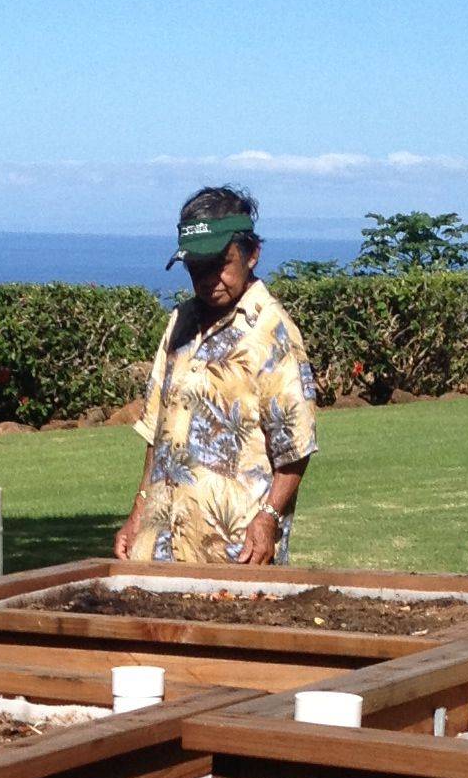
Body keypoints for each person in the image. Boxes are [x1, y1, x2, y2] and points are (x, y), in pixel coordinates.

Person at [113, 185, 317, 565]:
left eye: (220, 264)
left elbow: (295, 446)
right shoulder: (181, 322)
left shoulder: (272, 332)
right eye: (197, 268)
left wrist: (268, 519)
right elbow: (157, 432)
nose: (208, 279)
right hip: (158, 552)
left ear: (252, 255)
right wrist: (137, 513)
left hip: (235, 554)